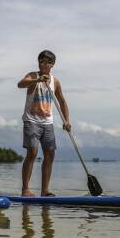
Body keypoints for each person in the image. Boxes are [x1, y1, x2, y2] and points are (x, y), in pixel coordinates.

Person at [17, 50, 71, 197]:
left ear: (52, 65)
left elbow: (62, 102)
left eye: (46, 62)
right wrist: (38, 80)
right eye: (40, 61)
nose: (42, 64)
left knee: (50, 154)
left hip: (47, 122)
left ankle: (45, 190)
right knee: (32, 153)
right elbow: (20, 84)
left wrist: (67, 121)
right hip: (31, 120)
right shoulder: (33, 75)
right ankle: (25, 189)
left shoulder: (55, 81)